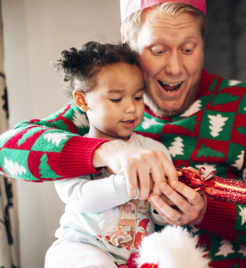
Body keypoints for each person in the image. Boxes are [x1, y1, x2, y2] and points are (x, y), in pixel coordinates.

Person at [0, 0, 246, 267]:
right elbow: (7, 152)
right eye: (157, 50)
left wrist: (206, 213)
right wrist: (106, 150)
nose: (175, 68)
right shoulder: (103, 110)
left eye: (188, 49)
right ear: (129, 44)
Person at [44, 42, 172, 267]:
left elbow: (159, 217)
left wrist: (166, 205)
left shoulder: (155, 151)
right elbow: (80, 197)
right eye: (116, 99)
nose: (131, 108)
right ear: (82, 101)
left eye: (138, 97)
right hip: (82, 246)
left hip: (136, 254)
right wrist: (129, 182)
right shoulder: (73, 151)